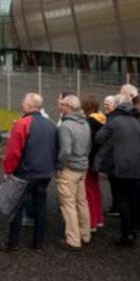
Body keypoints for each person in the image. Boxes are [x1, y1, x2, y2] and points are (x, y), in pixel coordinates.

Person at [0, 93, 58, 253]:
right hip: (45, 173)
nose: (22, 105)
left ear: (30, 106)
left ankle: (13, 243)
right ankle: (38, 243)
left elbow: (13, 152)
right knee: (40, 207)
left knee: (17, 208)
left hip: (25, 173)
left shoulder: (22, 123)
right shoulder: (51, 125)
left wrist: (8, 170)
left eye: (24, 103)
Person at [94, 93, 140, 247]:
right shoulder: (139, 123)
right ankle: (133, 229)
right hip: (136, 165)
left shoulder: (114, 121)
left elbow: (99, 138)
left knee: (122, 199)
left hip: (118, 165)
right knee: (132, 197)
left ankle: (127, 234)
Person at [56, 94, 92, 251]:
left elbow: (65, 151)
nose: (60, 107)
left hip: (69, 168)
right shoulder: (85, 123)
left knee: (68, 204)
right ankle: (85, 233)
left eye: (63, 104)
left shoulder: (65, 126)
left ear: (69, 107)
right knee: (81, 201)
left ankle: (73, 238)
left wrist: (59, 165)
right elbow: (89, 146)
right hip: (83, 166)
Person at [82, 95, 107, 232]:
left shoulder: (89, 123)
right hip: (98, 160)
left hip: (89, 160)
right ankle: (98, 218)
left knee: (88, 192)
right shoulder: (103, 119)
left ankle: (91, 222)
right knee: (96, 190)